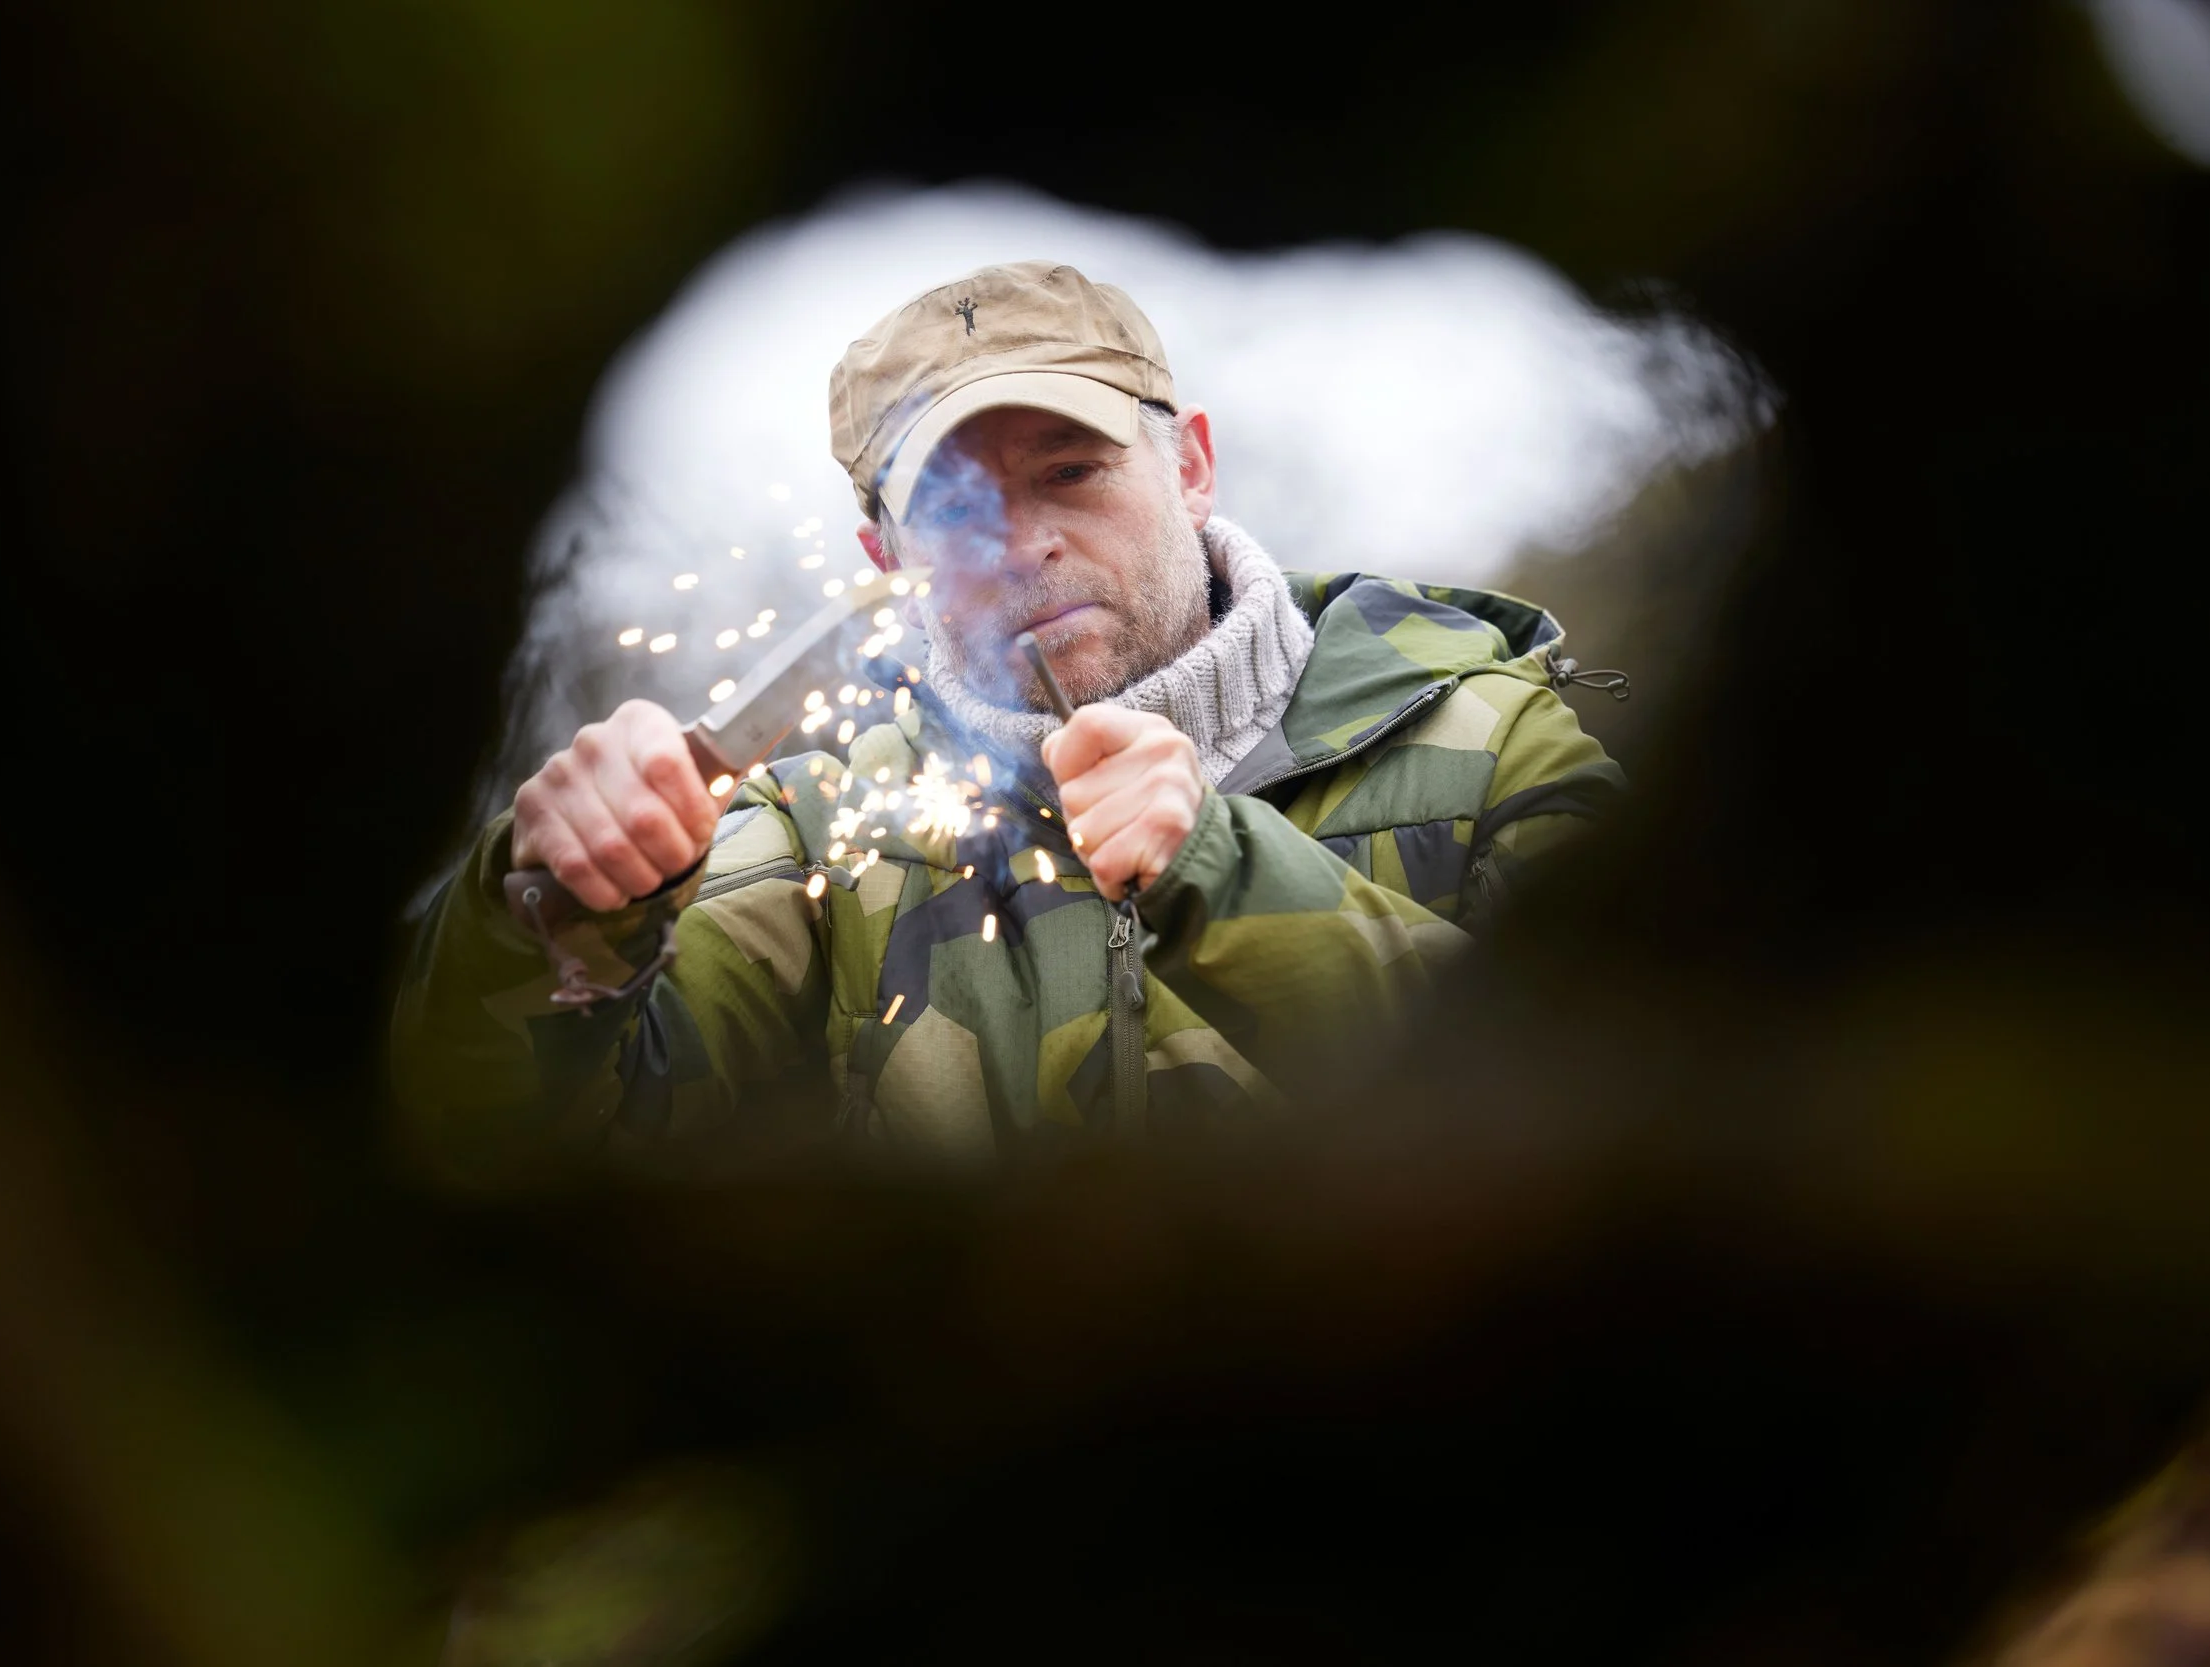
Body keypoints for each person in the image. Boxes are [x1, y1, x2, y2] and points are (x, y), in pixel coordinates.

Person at [392, 260, 1624, 1173]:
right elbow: (507, 1150)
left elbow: (1623, 1094)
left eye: (1072, 471)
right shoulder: (829, 840)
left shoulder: (1479, 734)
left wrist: (1222, 867)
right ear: (885, 551)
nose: (1027, 542)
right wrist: (544, 916)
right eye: (957, 508)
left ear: (1190, 467)